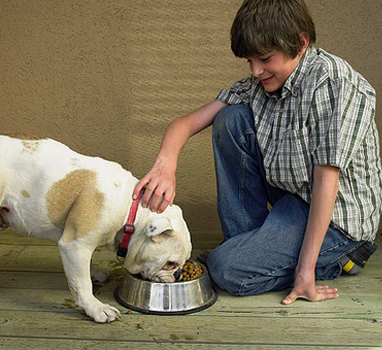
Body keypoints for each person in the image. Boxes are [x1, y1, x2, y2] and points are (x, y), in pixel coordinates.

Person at [132, 0, 380, 305]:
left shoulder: (333, 83)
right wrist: (164, 166)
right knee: (230, 118)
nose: (256, 70)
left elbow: (326, 180)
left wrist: (305, 271)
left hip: (336, 220)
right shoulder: (259, 85)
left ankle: (336, 258)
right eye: (249, 60)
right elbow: (185, 123)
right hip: (294, 200)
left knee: (225, 271)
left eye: (264, 58)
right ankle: (245, 246)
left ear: (300, 43)